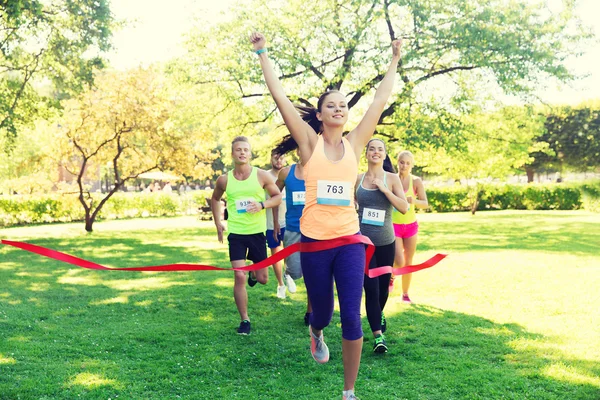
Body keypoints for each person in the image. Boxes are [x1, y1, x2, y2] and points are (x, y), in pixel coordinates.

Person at [251, 31, 402, 400]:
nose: (338, 109)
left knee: (351, 315)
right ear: (319, 115)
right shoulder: (308, 143)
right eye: (330, 105)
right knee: (322, 312)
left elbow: (379, 102)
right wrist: (263, 54)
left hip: (350, 241)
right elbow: (280, 97)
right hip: (315, 243)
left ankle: (349, 392)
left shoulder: (354, 144)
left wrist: (394, 59)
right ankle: (316, 331)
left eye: (342, 105)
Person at [211, 136, 282, 335]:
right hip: (236, 234)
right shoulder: (224, 179)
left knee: (263, 279)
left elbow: (277, 197)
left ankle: (254, 271)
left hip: (257, 233)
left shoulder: (261, 176)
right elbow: (215, 199)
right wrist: (218, 222)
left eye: (245, 150)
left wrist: (261, 205)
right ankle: (245, 320)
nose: (242, 152)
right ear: (232, 154)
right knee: (239, 276)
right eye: (238, 150)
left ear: (250, 154)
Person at [355, 139, 408, 354]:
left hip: (386, 243)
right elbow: (350, 204)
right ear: (366, 154)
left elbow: (404, 207)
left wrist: (385, 190)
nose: (375, 152)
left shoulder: (392, 178)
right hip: (363, 245)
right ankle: (378, 336)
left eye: (380, 149)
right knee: (371, 288)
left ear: (385, 155)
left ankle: (378, 313)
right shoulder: (358, 179)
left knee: (382, 291)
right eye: (371, 149)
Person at [274, 148, 312, 324]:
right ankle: (288, 273)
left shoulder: (319, 171)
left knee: (315, 274)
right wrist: (275, 222)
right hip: (292, 230)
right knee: (296, 271)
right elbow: (274, 195)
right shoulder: (286, 172)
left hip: (315, 231)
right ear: (298, 151)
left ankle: (310, 312)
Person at [391, 150, 429, 304]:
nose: (404, 165)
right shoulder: (392, 179)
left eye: (407, 163)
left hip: (411, 226)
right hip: (394, 225)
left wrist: (413, 200)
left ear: (411, 165)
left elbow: (425, 203)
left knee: (408, 260)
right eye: (401, 162)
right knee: (399, 260)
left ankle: (405, 293)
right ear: (397, 163)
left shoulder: (416, 181)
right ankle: (392, 276)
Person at [265, 150, 288, 298]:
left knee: (290, 253)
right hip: (271, 223)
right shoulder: (265, 176)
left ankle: (288, 276)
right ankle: (280, 284)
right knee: (276, 254)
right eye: (276, 157)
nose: (279, 160)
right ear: (271, 158)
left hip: (288, 221)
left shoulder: (288, 175)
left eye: (282, 157)